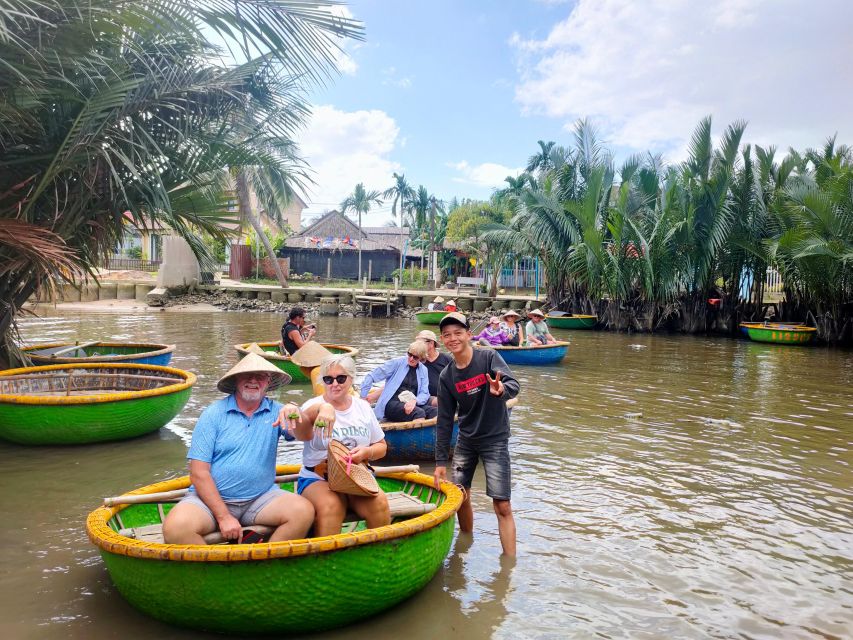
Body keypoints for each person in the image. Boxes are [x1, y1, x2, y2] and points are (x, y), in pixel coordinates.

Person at [162, 353, 315, 545]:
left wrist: (296, 411)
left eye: (260, 376)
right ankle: (217, 569)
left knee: (303, 511)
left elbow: (306, 435)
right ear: (236, 380)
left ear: (268, 382)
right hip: (210, 502)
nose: (253, 380)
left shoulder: (278, 411)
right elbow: (199, 473)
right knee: (176, 528)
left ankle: (265, 563)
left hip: (261, 498)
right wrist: (224, 516)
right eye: (247, 375)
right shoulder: (213, 414)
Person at [433, 312, 520, 556]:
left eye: (458, 333)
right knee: (461, 497)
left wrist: (501, 389)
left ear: (469, 335)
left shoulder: (488, 357)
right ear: (442, 340)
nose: (453, 339)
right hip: (466, 441)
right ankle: (465, 547)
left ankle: (508, 568)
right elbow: (444, 422)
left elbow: (514, 386)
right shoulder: (447, 375)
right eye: (447, 335)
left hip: (495, 439)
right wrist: (440, 462)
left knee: (502, 504)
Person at [279, 355, 390, 537]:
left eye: (341, 378)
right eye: (328, 379)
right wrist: (292, 409)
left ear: (351, 379)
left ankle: (380, 555)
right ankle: (327, 560)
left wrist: (367, 452)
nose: (334, 384)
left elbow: (382, 447)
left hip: (355, 476)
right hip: (318, 477)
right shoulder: (313, 405)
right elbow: (298, 430)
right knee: (332, 506)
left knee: (380, 503)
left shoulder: (362, 407)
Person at [361, 340, 435, 422]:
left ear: (421, 358)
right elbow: (371, 376)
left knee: (436, 412)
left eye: (415, 357)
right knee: (418, 413)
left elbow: (424, 393)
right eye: (409, 354)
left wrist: (415, 401)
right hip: (391, 403)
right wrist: (363, 398)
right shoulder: (396, 363)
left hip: (410, 403)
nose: (411, 359)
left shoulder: (423, 370)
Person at [416, 329, 452, 408]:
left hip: (445, 396)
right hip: (424, 397)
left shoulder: (446, 359)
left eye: (420, 343)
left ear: (431, 343)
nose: (417, 346)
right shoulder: (416, 361)